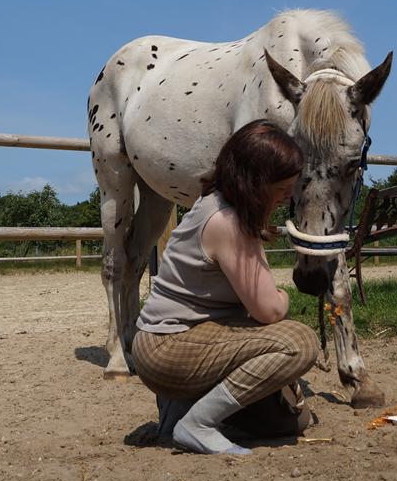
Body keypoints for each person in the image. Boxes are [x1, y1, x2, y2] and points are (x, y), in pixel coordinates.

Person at [133, 119, 321, 455]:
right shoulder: (229, 223)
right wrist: (284, 295)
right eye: (280, 189)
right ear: (256, 183)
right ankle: (198, 423)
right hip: (170, 347)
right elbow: (270, 310)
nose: (287, 196)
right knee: (299, 343)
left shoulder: (214, 203)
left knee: (291, 421)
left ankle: (182, 411)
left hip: (182, 339)